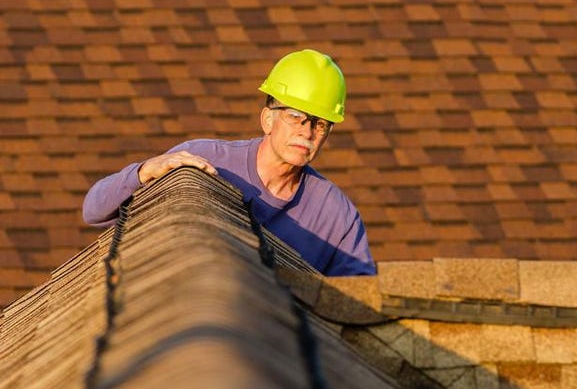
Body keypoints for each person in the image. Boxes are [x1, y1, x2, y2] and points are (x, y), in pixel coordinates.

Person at [83, 49, 376, 276]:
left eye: (321, 124)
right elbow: (94, 210)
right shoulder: (203, 161)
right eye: (296, 117)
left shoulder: (337, 217)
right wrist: (144, 172)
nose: (307, 131)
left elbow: (363, 303)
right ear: (268, 119)